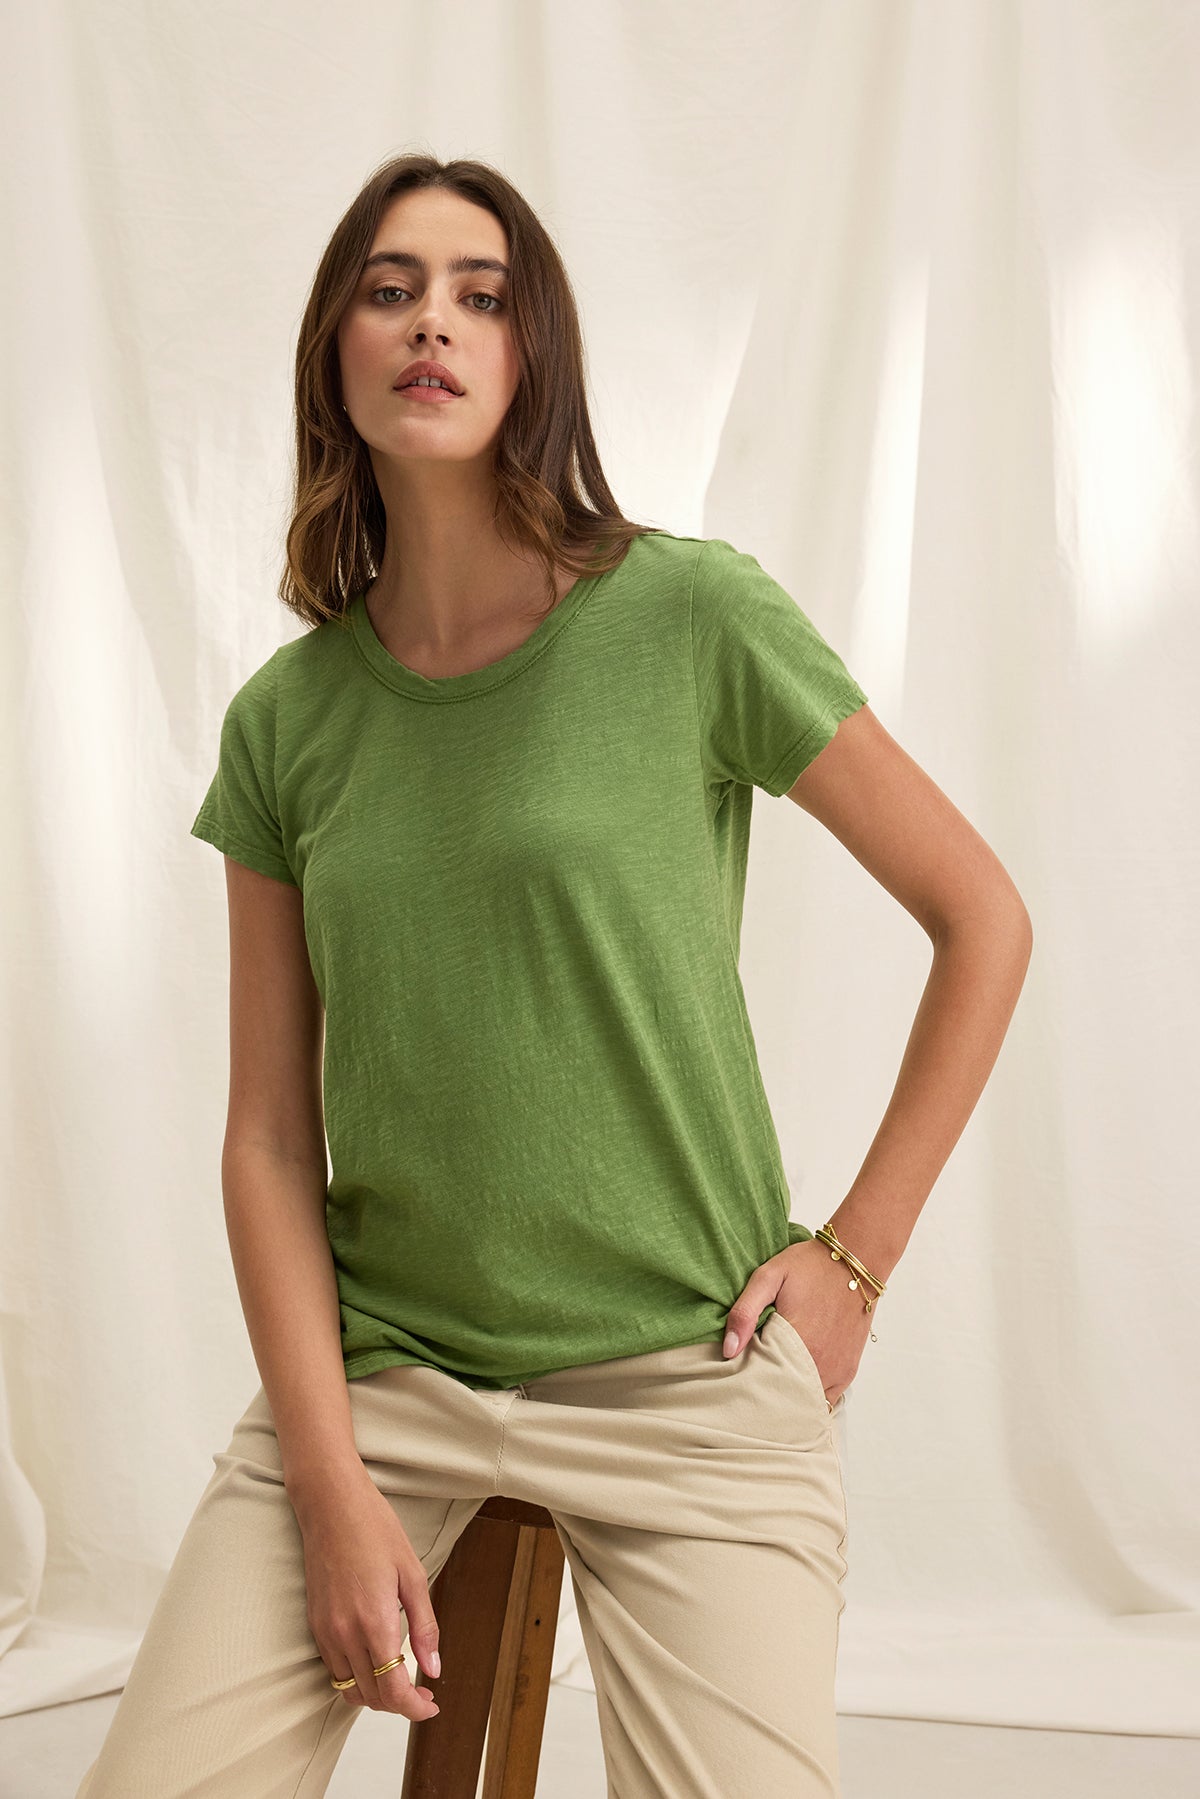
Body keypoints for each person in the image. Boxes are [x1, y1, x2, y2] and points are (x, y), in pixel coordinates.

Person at [76, 153, 1033, 1798]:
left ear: (537, 358)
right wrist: (325, 1482)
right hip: (386, 1381)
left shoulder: (690, 616)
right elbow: (264, 1140)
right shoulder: (289, 725)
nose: (430, 321)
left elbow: (982, 917)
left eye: (480, 292)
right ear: (336, 352)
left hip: (691, 1378)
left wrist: (852, 1264)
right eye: (389, 288)